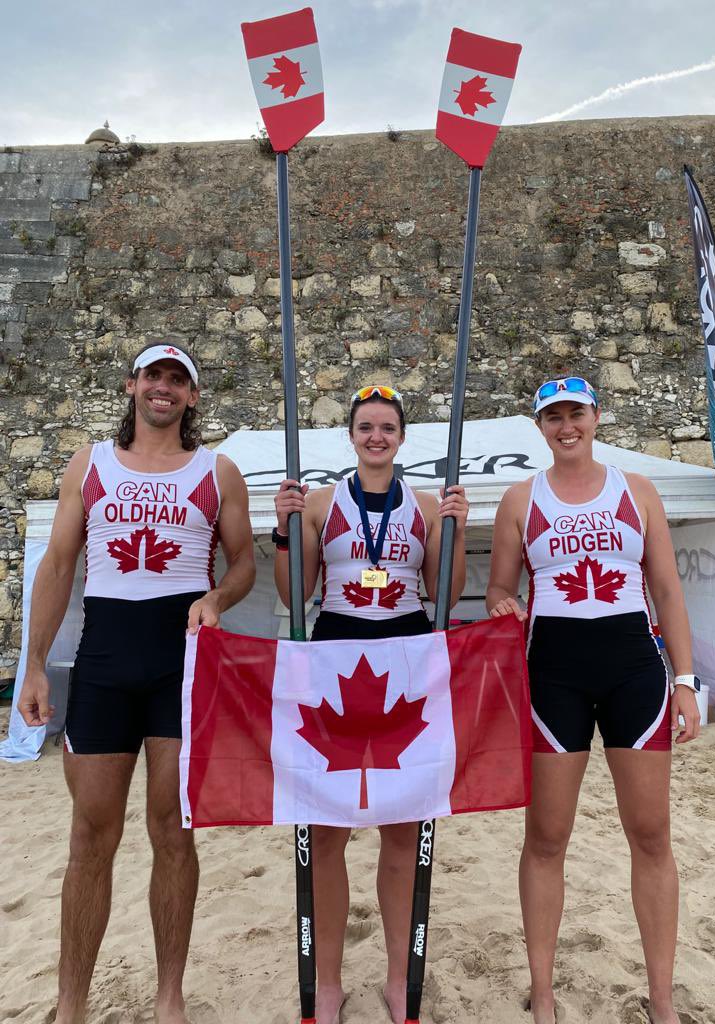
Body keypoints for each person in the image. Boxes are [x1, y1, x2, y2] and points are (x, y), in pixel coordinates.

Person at [17, 343, 256, 1024]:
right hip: (104, 659)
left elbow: (242, 563)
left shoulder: (217, 471)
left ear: (193, 397)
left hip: (180, 659)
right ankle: (71, 1005)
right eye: (155, 375)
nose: (165, 387)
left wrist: (218, 599)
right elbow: (60, 566)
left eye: (179, 379)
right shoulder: (89, 464)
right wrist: (34, 664)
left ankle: (170, 997)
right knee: (90, 837)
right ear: (131, 386)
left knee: (172, 831)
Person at [486, 376, 701, 1024]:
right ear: (540, 426)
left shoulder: (637, 492)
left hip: (634, 670)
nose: (565, 426)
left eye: (575, 413)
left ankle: (661, 999)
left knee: (651, 834)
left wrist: (686, 682)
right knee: (548, 836)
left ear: (596, 417)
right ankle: (544, 994)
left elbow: (666, 590)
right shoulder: (520, 501)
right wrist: (503, 605)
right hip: (554, 678)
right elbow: (499, 590)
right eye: (552, 416)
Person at [274, 384, 469, 1024]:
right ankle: (327, 983)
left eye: (387, 426)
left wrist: (457, 530)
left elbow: (448, 589)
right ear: (351, 436)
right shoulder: (325, 503)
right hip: (333, 661)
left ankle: (395, 974)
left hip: (406, 664)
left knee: (400, 833)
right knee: (325, 835)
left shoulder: (424, 507)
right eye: (366, 427)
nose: (376, 436)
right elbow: (293, 592)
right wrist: (284, 529)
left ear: (402, 436)